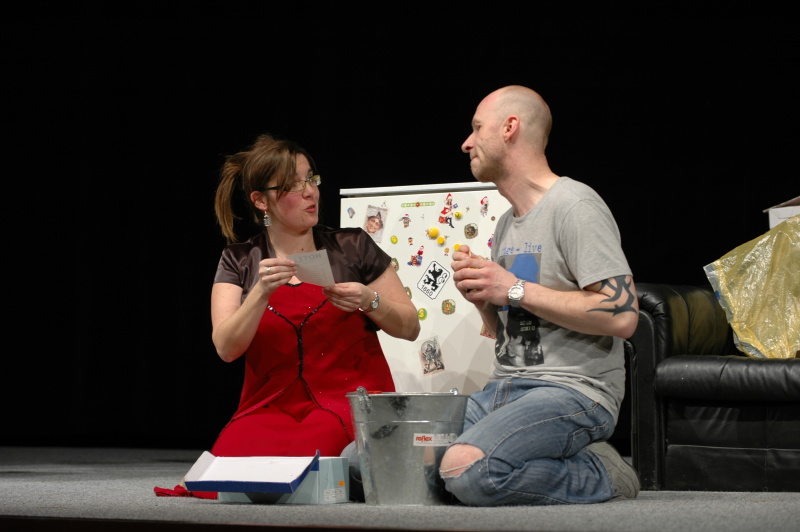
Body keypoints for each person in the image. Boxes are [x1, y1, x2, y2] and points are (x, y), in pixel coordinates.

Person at [439, 85, 641, 506]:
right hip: (504, 388)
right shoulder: (506, 225)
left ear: (509, 127)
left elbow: (623, 316)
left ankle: (604, 472)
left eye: (477, 128)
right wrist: (484, 298)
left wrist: (513, 287)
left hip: (573, 392)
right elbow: (510, 330)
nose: (467, 143)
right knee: (376, 458)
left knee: (466, 470)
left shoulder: (575, 205)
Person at [205, 133, 419, 496]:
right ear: (261, 200)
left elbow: (410, 327)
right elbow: (226, 348)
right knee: (227, 467)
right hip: (270, 407)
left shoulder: (352, 247)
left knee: (310, 460)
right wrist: (260, 292)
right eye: (293, 185)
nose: (310, 192)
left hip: (345, 402)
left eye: (311, 179)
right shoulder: (240, 260)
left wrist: (370, 300)